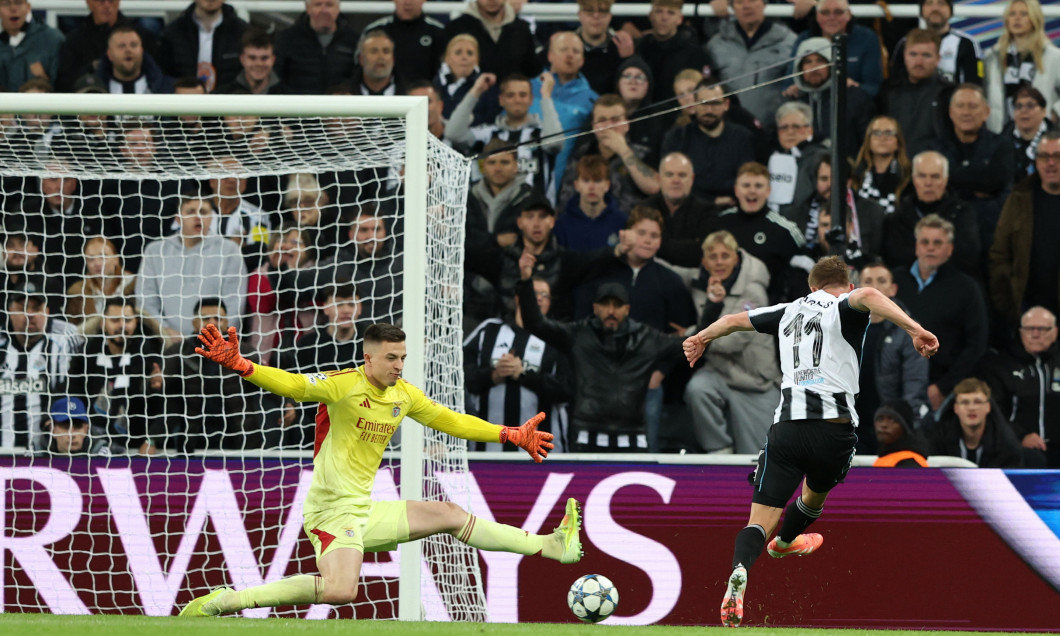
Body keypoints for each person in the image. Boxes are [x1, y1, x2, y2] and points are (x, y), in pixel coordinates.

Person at [180, 322, 582, 616]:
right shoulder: (343, 385)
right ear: (368, 358)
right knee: (342, 590)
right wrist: (244, 366)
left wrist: (509, 434)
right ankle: (229, 600)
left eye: (402, 358)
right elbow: (295, 386)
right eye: (391, 358)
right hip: (332, 513)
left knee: (448, 514)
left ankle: (550, 545)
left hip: (365, 509)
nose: (398, 366)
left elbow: (451, 420)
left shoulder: (403, 395)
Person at [683, 255, 938, 628]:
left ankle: (740, 570)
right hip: (833, 431)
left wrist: (701, 337)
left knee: (758, 521)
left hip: (786, 429)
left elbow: (733, 321)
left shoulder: (788, 310)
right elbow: (868, 293)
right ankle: (786, 543)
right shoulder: (845, 305)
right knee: (814, 493)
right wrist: (914, 329)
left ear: (811, 288)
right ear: (845, 286)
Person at [679, 230, 777, 454]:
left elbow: (731, 342)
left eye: (725, 256)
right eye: (713, 257)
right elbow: (671, 272)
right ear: (704, 262)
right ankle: (719, 448)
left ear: (736, 258)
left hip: (755, 384)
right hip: (720, 374)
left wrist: (693, 333)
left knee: (758, 459)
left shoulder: (754, 292)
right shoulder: (700, 284)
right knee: (698, 389)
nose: (719, 262)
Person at [464, 277, 573, 451]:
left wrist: (524, 375)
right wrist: (493, 375)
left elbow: (568, 389)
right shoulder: (488, 331)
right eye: (534, 293)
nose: (538, 298)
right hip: (486, 448)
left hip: (542, 450)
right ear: (517, 298)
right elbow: (458, 378)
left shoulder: (559, 337)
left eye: (544, 295)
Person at [894, 214, 988, 411]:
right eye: (925, 242)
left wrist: (944, 387)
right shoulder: (894, 282)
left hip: (942, 389)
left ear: (950, 249)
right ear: (916, 246)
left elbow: (976, 344)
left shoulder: (966, 288)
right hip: (893, 384)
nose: (930, 247)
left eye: (938, 242)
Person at [137, 192, 247, 348]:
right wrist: (164, 330)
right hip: (166, 343)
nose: (198, 217)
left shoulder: (229, 250)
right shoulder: (155, 251)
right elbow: (146, 300)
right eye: (191, 212)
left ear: (212, 217)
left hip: (215, 344)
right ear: (178, 218)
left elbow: (235, 303)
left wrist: (214, 336)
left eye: (203, 212)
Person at [68, 298, 165, 454]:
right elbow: (73, 394)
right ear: (103, 323)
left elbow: (162, 409)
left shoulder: (151, 355)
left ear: (136, 322)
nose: (122, 325)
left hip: (135, 449)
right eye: (115, 320)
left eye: (127, 320)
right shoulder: (86, 354)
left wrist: (156, 389)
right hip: (90, 448)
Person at [855, 261, 929, 453]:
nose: (874, 287)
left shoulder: (909, 329)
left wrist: (903, 424)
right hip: (852, 425)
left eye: (881, 281)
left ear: (893, 289)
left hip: (892, 428)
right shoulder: (844, 326)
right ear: (856, 289)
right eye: (868, 281)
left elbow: (914, 383)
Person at [989, 130, 1060, 327]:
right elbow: (999, 254)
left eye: (1057, 156)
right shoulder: (1019, 197)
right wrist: (1009, 305)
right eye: (1044, 156)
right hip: (1026, 313)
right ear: (1036, 161)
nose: (1051, 163)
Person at [934, 83, 1015, 251]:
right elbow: (936, 190)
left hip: (990, 236)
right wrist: (978, 184)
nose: (966, 112)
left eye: (972, 106)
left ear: (986, 112)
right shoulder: (936, 148)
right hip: (946, 236)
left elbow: (999, 184)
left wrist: (953, 178)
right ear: (950, 112)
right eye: (960, 106)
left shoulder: (1001, 145)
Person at [0, 288, 83, 450]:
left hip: (45, 456)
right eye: (22, 308)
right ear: (10, 311)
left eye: (36, 309)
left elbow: (75, 394)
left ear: (47, 312)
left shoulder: (64, 343)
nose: (29, 314)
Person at [978, 306, 1060, 468]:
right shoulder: (1001, 366)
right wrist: (1020, 437)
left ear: (1055, 332)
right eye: (1030, 329)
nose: (1035, 334)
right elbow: (995, 412)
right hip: (1020, 450)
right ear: (1021, 332)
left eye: (1043, 329)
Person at [882, 151, 982, 279]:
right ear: (913, 179)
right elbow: (893, 256)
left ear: (945, 180)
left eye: (935, 177)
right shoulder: (898, 217)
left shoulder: (962, 213)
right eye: (922, 176)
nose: (928, 183)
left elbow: (968, 255)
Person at [661, 79, 756, 207]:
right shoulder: (677, 138)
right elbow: (669, 183)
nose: (709, 110)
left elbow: (747, 180)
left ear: (726, 104)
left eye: (715, 103)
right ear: (694, 105)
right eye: (703, 104)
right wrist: (711, 202)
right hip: (688, 209)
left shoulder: (742, 137)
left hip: (732, 209)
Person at [705, 0, 796, 129]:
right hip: (727, 132)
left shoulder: (789, 43)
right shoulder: (716, 45)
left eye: (752, 0)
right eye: (740, 2)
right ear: (732, 7)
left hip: (774, 132)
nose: (746, 6)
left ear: (764, 3)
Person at [983, 0, 1060, 134]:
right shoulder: (992, 57)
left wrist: (1055, 113)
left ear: (1034, 18)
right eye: (1012, 14)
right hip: (1001, 134)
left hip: (1041, 134)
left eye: (1024, 14)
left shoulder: (1053, 56)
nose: (1017, 19)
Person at [790, 37, 874, 159]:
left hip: (847, 171)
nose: (814, 67)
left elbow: (867, 142)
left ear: (831, 64)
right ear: (799, 67)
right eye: (808, 62)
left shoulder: (854, 97)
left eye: (820, 61)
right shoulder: (793, 101)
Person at [879, 28, 952, 159]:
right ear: (904, 56)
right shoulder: (888, 90)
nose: (919, 62)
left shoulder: (949, 93)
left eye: (926, 55)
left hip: (933, 170)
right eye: (913, 54)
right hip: (896, 169)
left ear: (938, 59)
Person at [927, 377, 1023, 468]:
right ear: (956, 408)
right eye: (965, 402)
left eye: (977, 402)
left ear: (988, 407)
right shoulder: (938, 438)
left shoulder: (1006, 442)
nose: (971, 408)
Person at [157, 0, 248, 93]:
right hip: (184, 103)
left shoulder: (243, 33)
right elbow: (164, 77)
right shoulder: (172, 33)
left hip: (228, 103)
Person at [274, 0, 359, 95]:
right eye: (318, 5)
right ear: (308, 8)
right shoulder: (287, 39)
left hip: (340, 106)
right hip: (298, 106)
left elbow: (357, 78)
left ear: (338, 9)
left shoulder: (353, 41)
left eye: (329, 5)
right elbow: (278, 77)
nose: (324, 10)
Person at [443, 0, 540, 83]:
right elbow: (440, 76)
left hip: (510, 101)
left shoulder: (522, 29)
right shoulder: (455, 29)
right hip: (466, 101)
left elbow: (531, 71)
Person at [888, 0, 982, 85]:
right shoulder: (906, 43)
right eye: (929, 3)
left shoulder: (967, 43)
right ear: (921, 11)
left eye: (941, 3)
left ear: (950, 10)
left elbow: (974, 85)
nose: (935, 8)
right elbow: (895, 84)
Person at [363, 0, 446, 83]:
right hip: (384, 93)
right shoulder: (375, 30)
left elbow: (444, 72)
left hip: (424, 93)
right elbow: (360, 68)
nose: (407, 2)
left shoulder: (438, 32)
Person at [851, 115, 911, 216]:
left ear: (898, 141)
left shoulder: (908, 176)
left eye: (888, 133)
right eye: (876, 133)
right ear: (868, 140)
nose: (882, 138)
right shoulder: (857, 176)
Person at [0, 0, 64, 91]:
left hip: (42, 104)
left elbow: (65, 85)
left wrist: (43, 81)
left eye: (18, 2)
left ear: (28, 7)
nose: (13, 8)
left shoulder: (52, 40)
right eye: (6, 3)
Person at [576, 0, 634, 96]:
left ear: (610, 16)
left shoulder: (623, 46)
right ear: (580, 15)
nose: (596, 16)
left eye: (602, 11)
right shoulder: (565, 46)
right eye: (589, 11)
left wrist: (628, 60)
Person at [38, 396, 121, 456]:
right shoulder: (37, 452)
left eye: (78, 427)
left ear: (86, 429)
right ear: (53, 430)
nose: (72, 435)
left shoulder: (99, 452)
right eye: (66, 427)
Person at [217, 28, 288, 95]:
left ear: (273, 60)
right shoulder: (222, 96)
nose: (259, 63)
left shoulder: (289, 96)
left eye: (264, 58)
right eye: (252, 58)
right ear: (242, 60)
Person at [1004, 85, 1053, 181]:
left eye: (1030, 106)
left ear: (1043, 111)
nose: (1024, 110)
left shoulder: (1056, 139)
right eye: (1018, 106)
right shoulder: (1002, 140)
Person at [871, 400, 930, 467]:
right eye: (880, 419)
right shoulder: (887, 456)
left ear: (905, 427)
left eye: (893, 420)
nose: (884, 425)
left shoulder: (909, 462)